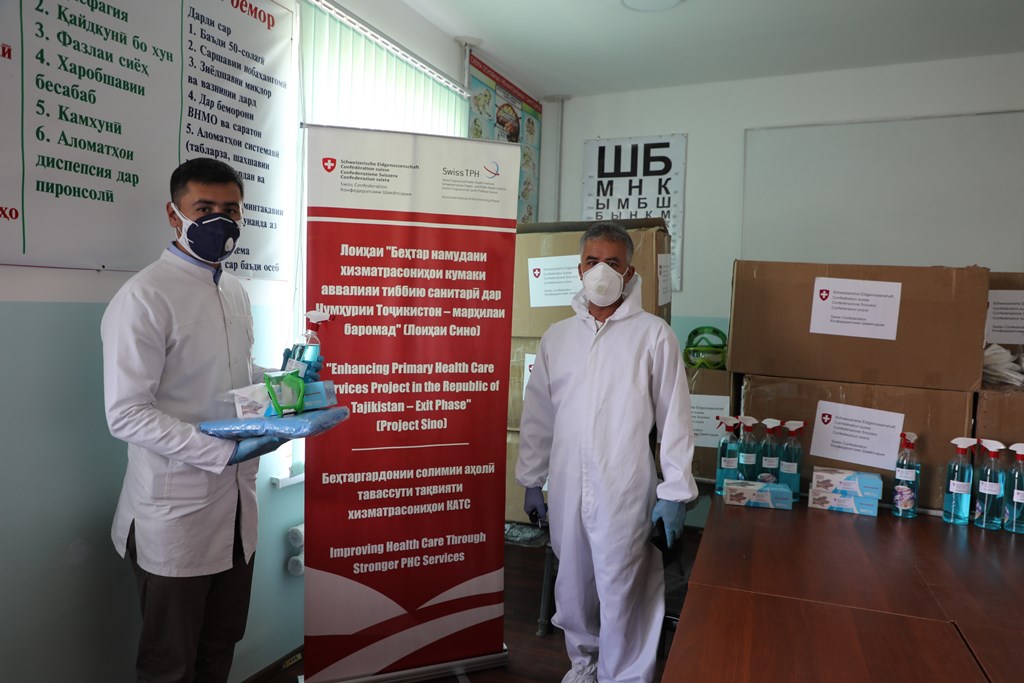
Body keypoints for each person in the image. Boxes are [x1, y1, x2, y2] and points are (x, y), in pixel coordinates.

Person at [101, 158, 317, 683]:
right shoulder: (144, 297)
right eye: (204, 209)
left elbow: (233, 378)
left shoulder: (234, 290)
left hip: (237, 513)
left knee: (219, 646)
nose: (220, 220)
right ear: (174, 215)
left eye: (231, 209)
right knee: (170, 664)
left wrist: (284, 381)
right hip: (174, 517)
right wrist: (221, 450)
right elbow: (126, 413)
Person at [516, 221, 698, 683]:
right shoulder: (558, 337)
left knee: (623, 586)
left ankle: (625, 676)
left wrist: (676, 491)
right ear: (579, 269)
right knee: (573, 585)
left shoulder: (653, 335)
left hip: (624, 486)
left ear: (629, 271)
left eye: (612, 262)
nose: (601, 271)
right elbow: (539, 416)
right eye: (592, 261)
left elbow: (675, 417)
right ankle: (584, 666)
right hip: (567, 487)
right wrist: (532, 480)